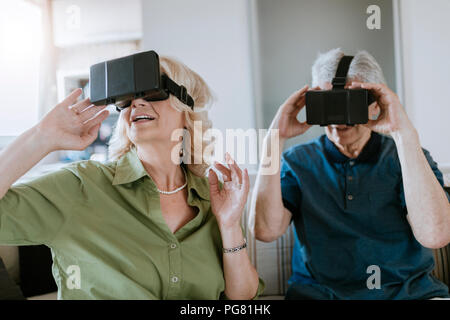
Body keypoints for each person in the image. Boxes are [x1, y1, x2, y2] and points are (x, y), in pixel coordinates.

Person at [0, 56, 264, 300]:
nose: (136, 102)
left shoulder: (213, 198)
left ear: (187, 110)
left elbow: (242, 297)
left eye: (153, 91)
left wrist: (229, 226)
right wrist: (40, 138)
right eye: (126, 99)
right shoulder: (82, 186)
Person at [250, 48, 450, 299]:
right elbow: (265, 231)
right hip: (321, 296)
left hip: (407, 293)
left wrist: (404, 134)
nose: (337, 119)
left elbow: (436, 235)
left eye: (349, 102)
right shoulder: (298, 161)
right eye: (327, 103)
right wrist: (274, 138)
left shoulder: (408, 157)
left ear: (375, 102)